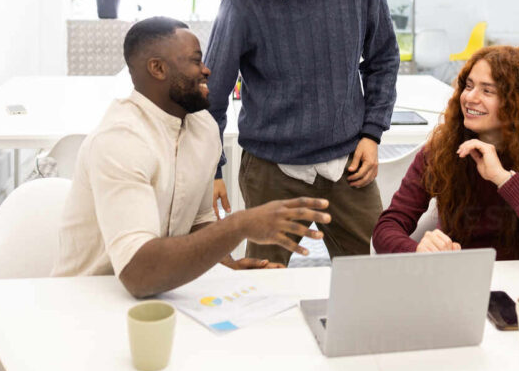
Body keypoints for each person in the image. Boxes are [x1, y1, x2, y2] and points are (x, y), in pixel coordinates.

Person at [52, 17, 331, 297]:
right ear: (158, 68)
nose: (206, 70)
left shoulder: (204, 128)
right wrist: (239, 225)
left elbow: (200, 219)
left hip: (162, 292)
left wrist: (225, 268)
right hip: (89, 298)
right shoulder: (121, 141)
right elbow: (138, 275)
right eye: (196, 61)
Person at [205, 0, 399, 266]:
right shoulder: (242, 2)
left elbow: (382, 59)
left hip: (349, 167)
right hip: (272, 173)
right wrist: (212, 171)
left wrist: (372, 134)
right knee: (264, 285)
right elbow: (212, 97)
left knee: (377, 274)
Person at [372, 46, 519, 268]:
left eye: (487, 91)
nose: (470, 97)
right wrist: (418, 251)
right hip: (462, 277)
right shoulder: (442, 151)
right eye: (468, 86)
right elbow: (386, 228)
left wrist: (505, 181)